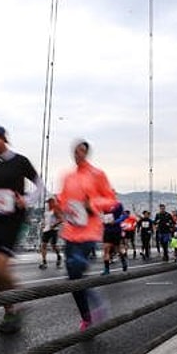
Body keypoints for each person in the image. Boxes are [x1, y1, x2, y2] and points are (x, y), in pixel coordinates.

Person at [0, 124, 44, 334]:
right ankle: (9, 312)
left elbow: (40, 185)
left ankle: (19, 298)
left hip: (14, 219)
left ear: (4, 138)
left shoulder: (20, 161)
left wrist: (27, 200)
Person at [53, 140, 117, 331]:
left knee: (76, 266)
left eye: (81, 151)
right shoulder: (68, 176)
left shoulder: (97, 174)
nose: (77, 154)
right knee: (73, 279)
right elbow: (64, 200)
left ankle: (97, 304)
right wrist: (58, 206)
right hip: (70, 232)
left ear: (87, 153)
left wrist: (92, 204)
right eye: (75, 151)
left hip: (89, 232)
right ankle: (87, 316)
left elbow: (111, 200)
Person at [101, 201, 128, 275]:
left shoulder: (118, 205)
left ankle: (123, 261)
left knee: (117, 249)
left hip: (116, 231)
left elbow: (125, 215)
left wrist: (116, 221)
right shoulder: (103, 204)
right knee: (106, 249)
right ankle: (106, 269)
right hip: (107, 231)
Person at [39, 196, 63, 269]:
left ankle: (59, 256)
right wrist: (43, 224)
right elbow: (45, 220)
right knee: (43, 245)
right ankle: (44, 262)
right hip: (46, 230)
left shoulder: (55, 211)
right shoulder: (46, 212)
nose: (48, 204)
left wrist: (54, 225)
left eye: (49, 202)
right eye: (47, 202)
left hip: (53, 230)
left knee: (53, 246)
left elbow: (61, 219)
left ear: (53, 202)